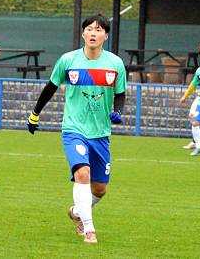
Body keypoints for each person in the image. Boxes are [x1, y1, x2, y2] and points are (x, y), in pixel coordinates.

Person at [26, 15, 126, 244]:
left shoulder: (115, 64)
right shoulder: (68, 60)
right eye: (89, 29)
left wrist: (118, 112)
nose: (93, 33)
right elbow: (50, 88)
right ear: (83, 34)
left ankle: (76, 212)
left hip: (100, 133)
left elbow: (120, 93)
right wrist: (34, 114)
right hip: (73, 129)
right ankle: (88, 228)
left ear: (105, 36)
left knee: (100, 189)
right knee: (82, 174)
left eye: (98, 29)